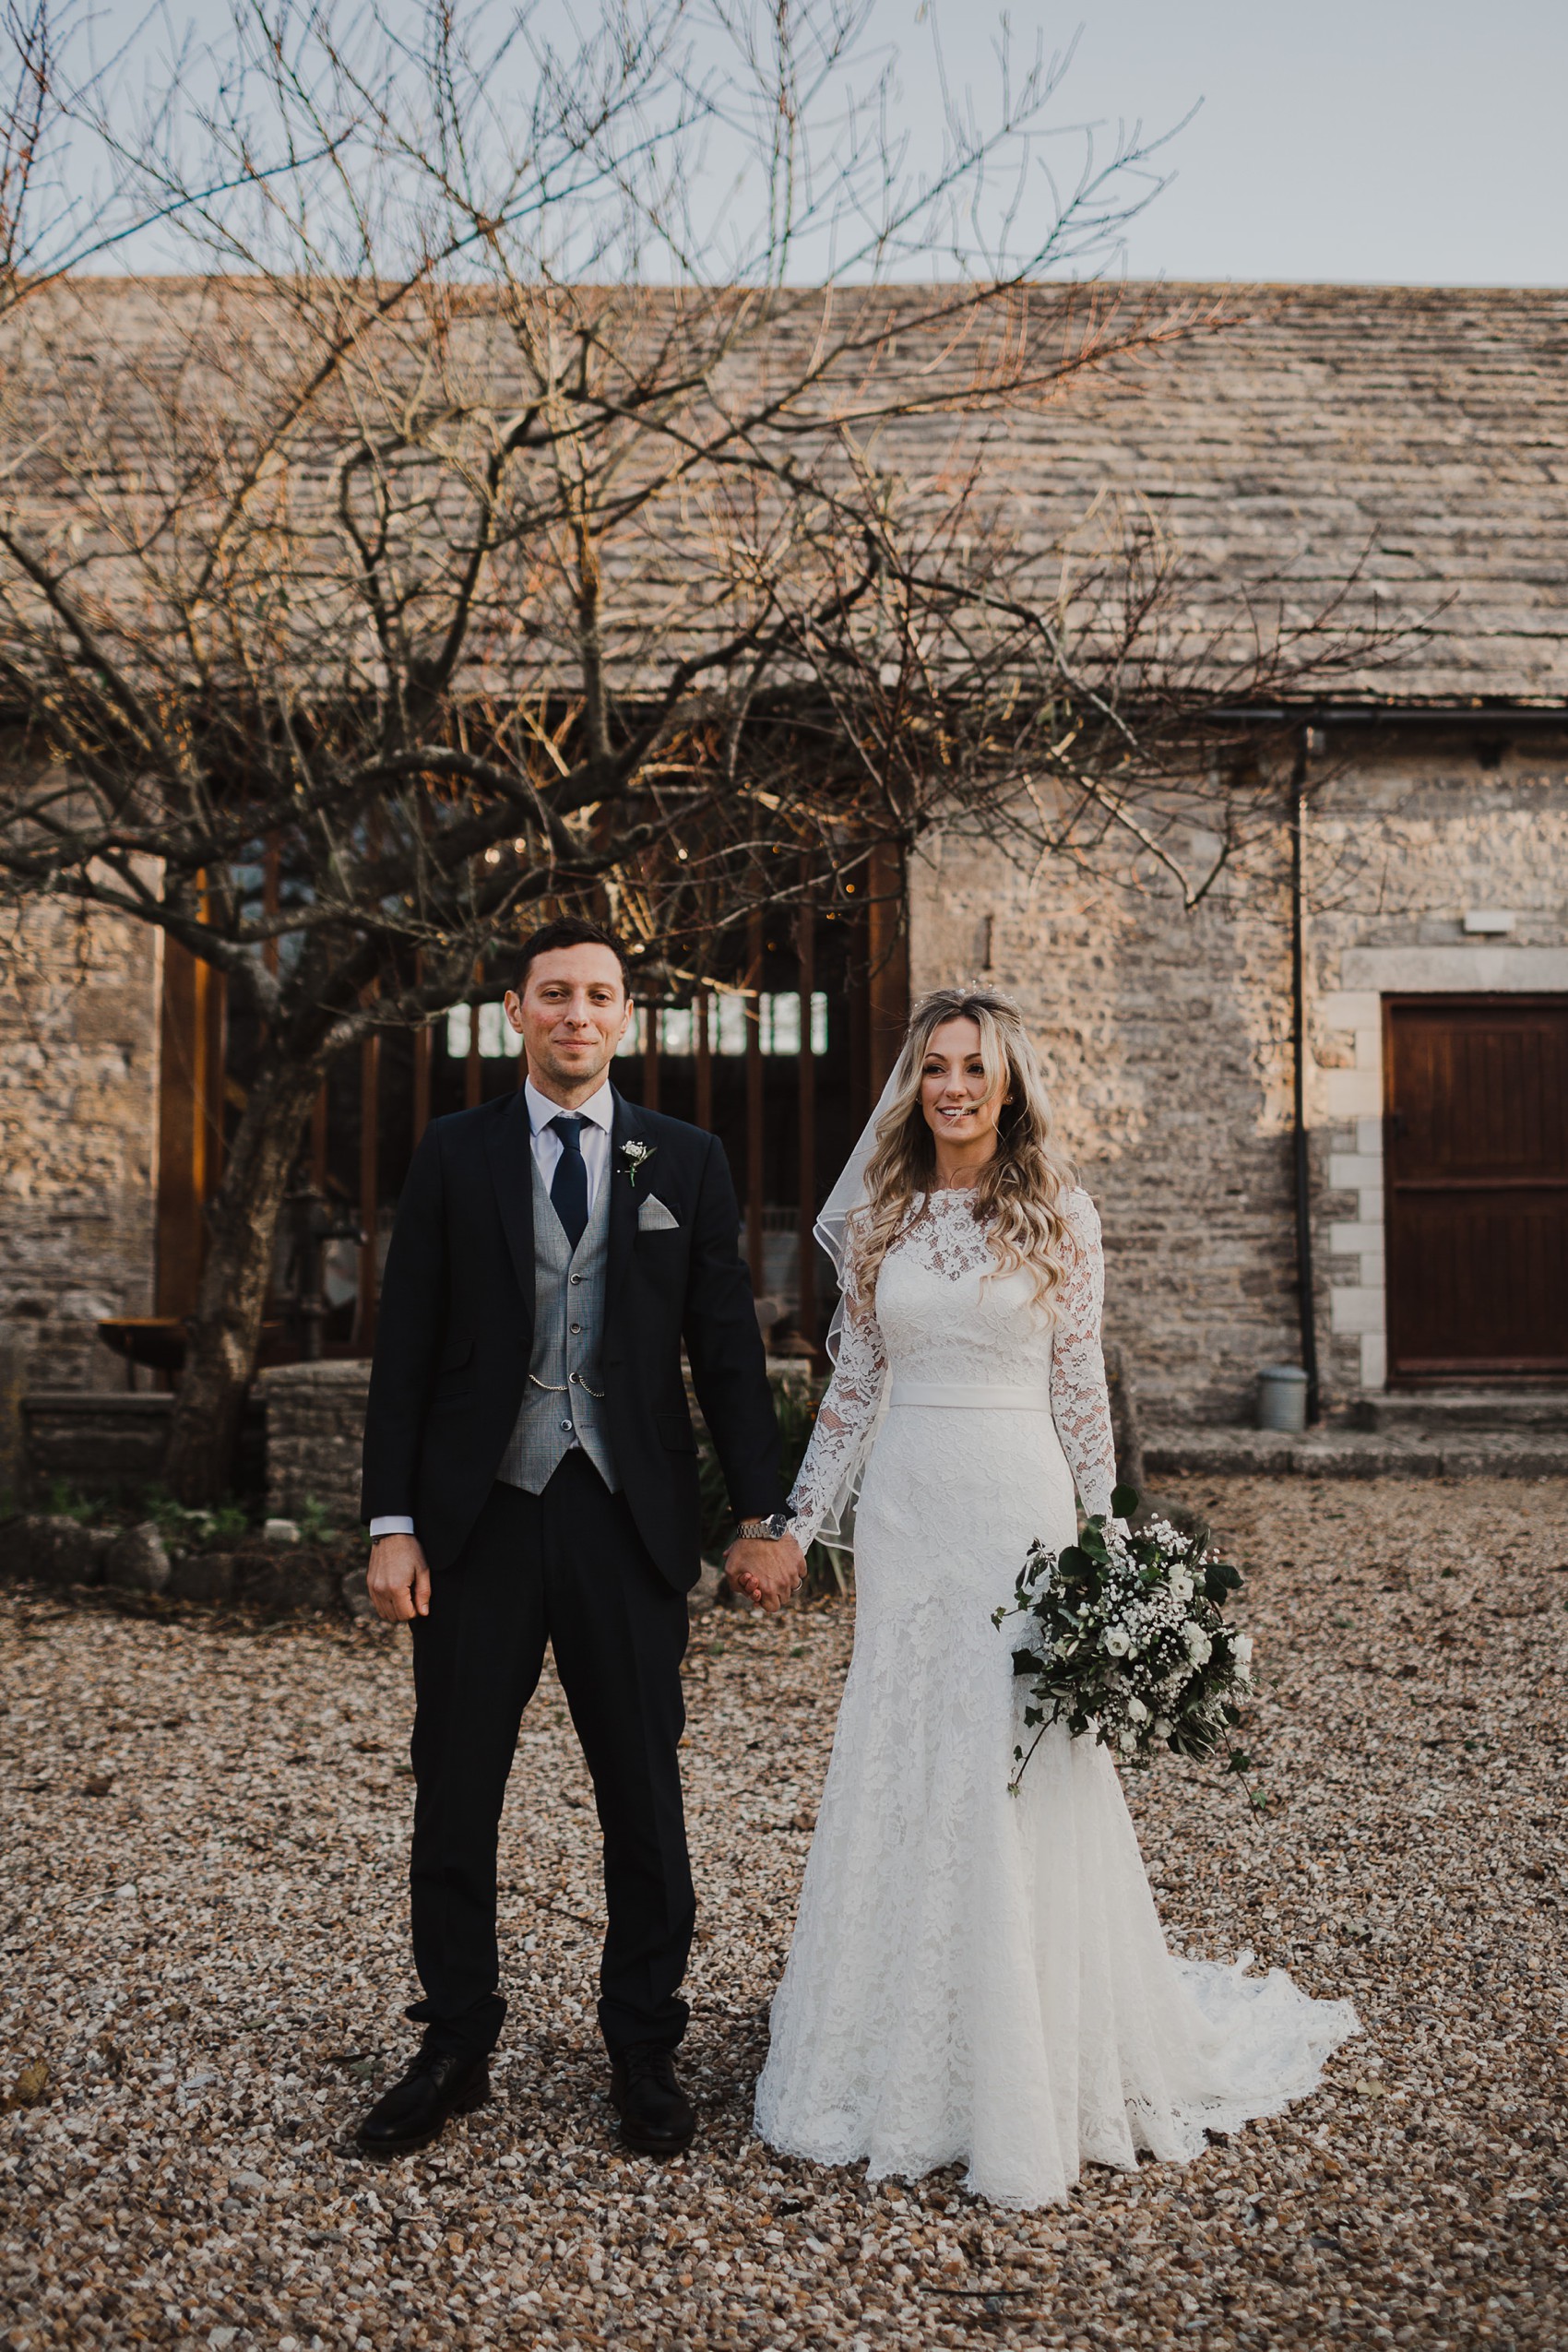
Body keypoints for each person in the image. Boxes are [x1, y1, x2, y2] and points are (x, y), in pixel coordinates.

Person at [754, 986, 1359, 2207]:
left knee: (1021, 1759)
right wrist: (796, 1521)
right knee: (909, 1746)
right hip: (912, 1519)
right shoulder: (881, 1215)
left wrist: (1112, 1546)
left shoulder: (1059, 1213)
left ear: (1010, 1080)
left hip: (1020, 1513)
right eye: (935, 1067)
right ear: (913, 1084)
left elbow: (1080, 1386)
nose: (955, 1087)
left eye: (975, 1067)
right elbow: (855, 1390)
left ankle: (1034, 2051)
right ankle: (895, 2041)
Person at [356, 916, 805, 2159]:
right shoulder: (456, 1153)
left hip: (625, 1517)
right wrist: (391, 1521)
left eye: (599, 994)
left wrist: (761, 1515)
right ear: (515, 1010)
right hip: (476, 1519)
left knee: (644, 1800)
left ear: (625, 1015)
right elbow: (402, 1351)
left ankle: (644, 2049)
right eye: (554, 993)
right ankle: (454, 2041)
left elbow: (726, 1349)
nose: (576, 1014)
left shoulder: (687, 1158)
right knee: (455, 1793)